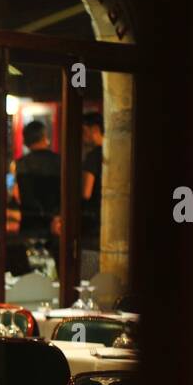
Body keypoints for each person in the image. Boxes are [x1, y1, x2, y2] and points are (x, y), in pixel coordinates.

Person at [14, 119, 61, 263]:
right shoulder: (58, 161)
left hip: (29, 222)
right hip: (54, 224)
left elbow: (20, 196)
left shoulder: (21, 163)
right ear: (44, 136)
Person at [81, 113, 104, 279]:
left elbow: (86, 192)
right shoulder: (114, 152)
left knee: (89, 279)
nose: (82, 137)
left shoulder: (94, 156)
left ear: (95, 129)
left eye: (84, 131)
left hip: (92, 227)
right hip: (106, 224)